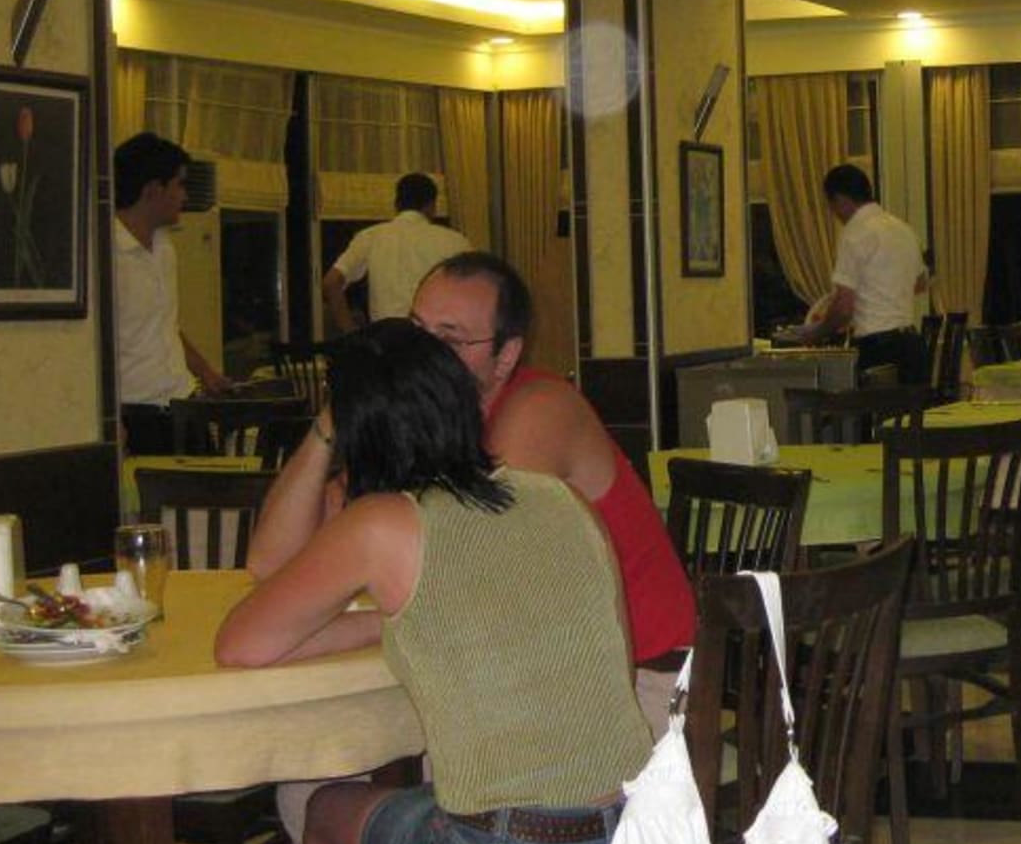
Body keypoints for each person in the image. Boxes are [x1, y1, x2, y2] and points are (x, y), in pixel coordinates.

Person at [217, 320, 647, 844]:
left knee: (328, 814)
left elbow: (241, 643)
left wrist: (326, 427)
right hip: (629, 841)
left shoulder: (382, 524)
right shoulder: (559, 500)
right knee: (418, 828)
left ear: (357, 432)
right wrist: (392, 619)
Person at [251, 251, 696, 727]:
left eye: (450, 338)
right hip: (529, 676)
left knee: (354, 750)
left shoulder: (538, 411)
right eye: (417, 329)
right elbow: (271, 562)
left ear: (505, 356)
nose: (423, 353)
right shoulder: (430, 423)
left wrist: (362, 626)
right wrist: (333, 420)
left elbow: (467, 582)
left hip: (642, 685)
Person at [112, 132, 229, 454]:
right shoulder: (106, 255)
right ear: (153, 189)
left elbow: (164, 325)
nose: (185, 196)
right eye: (179, 185)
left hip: (182, 404)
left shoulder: (165, 247)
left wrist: (205, 372)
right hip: (135, 414)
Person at [798, 163, 927, 385]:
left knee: (870, 407)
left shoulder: (855, 233)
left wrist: (816, 332)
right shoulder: (904, 229)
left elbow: (844, 309)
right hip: (911, 345)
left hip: (878, 350)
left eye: (831, 206)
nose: (834, 213)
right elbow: (921, 283)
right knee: (909, 407)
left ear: (839, 200)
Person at [324, 172, 471, 331]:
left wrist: (351, 332)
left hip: (387, 338)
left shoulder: (371, 237)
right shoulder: (455, 241)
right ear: (431, 206)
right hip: (434, 338)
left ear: (397, 204)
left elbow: (331, 283)